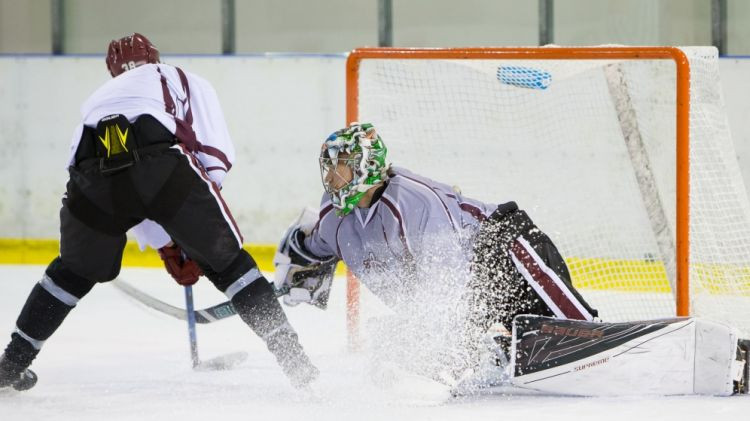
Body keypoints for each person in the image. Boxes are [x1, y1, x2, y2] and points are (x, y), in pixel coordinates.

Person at [0, 33, 317, 391]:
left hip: (90, 172)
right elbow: (212, 157)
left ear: (113, 71)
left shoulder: (98, 100)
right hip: (161, 162)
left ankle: (11, 363)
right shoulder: (179, 77)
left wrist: (166, 244)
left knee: (71, 273)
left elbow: (116, 186)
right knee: (229, 265)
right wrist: (193, 239)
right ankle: (296, 362)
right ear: (155, 57)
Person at [274, 122, 598, 387]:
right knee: (393, 343)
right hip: (470, 289)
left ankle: (587, 336)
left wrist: (442, 340)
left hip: (503, 248)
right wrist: (294, 269)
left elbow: (449, 285)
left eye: (339, 166)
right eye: (327, 167)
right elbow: (311, 246)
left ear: (365, 165)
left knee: (576, 335)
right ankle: (499, 354)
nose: (330, 176)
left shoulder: (413, 203)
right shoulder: (333, 216)